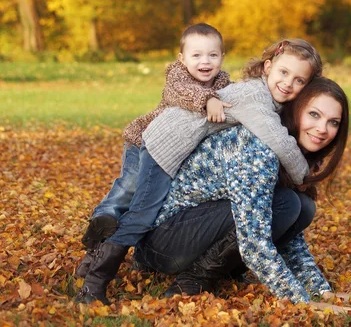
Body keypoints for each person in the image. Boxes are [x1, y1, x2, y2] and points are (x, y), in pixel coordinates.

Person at [76, 38, 323, 304]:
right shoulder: (254, 98)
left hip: (173, 155)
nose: (288, 83)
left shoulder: (263, 100)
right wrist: (305, 178)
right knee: (140, 215)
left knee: (293, 204)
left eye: (299, 80)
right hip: (161, 150)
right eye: (284, 73)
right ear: (267, 67)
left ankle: (215, 270)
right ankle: (93, 283)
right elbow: (280, 142)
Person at [134, 76, 349, 310]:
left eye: (333, 122)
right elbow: (253, 244)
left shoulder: (289, 153)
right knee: (287, 204)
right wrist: (304, 303)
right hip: (161, 243)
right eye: (314, 115)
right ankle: (194, 278)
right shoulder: (259, 148)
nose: (322, 129)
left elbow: (291, 240)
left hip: (192, 234)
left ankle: (218, 271)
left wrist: (322, 292)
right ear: (296, 110)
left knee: (302, 207)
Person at [76, 22, 231, 277]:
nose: (205, 61)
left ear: (222, 57)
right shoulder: (177, 76)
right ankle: (101, 225)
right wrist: (209, 99)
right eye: (197, 55)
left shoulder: (224, 83)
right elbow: (181, 93)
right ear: (182, 59)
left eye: (212, 55)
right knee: (130, 187)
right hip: (143, 141)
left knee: (148, 198)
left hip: (171, 153)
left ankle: (111, 251)